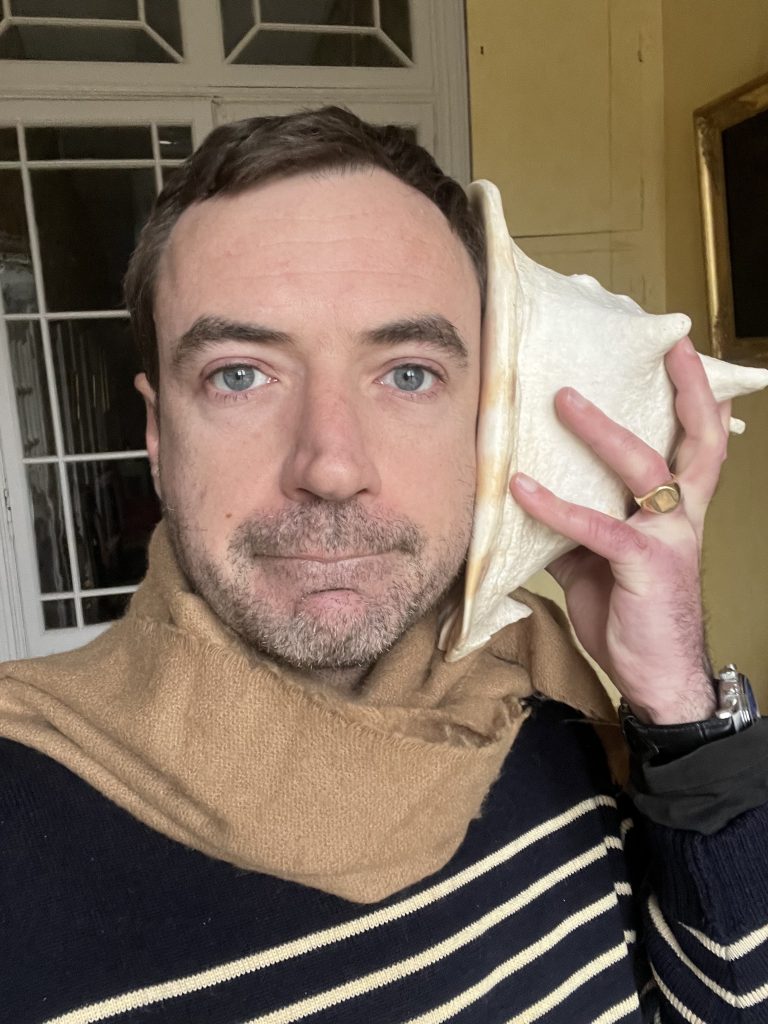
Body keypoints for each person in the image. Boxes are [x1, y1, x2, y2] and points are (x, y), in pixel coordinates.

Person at [2, 107, 767, 1024]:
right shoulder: (24, 806)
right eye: (240, 374)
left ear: (487, 421)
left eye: (408, 373)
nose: (331, 467)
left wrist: (675, 701)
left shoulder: (554, 708)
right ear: (159, 434)